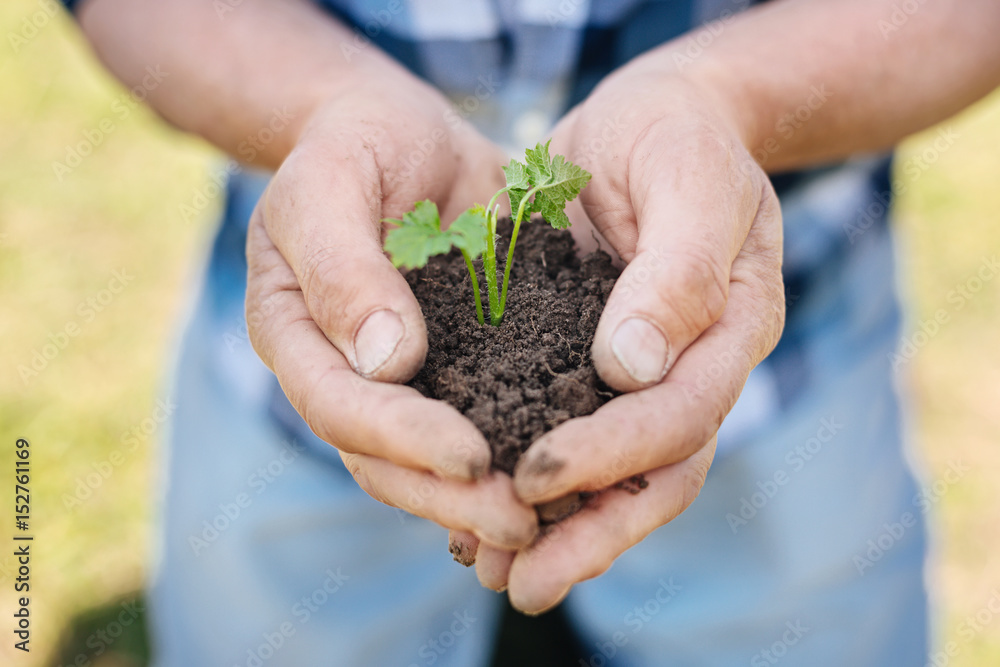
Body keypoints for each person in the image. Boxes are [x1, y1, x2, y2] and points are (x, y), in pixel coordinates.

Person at [62, 0, 1000, 664]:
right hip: (316, 312)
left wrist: (730, 100)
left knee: (788, 621)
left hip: (784, 337)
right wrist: (320, 107)